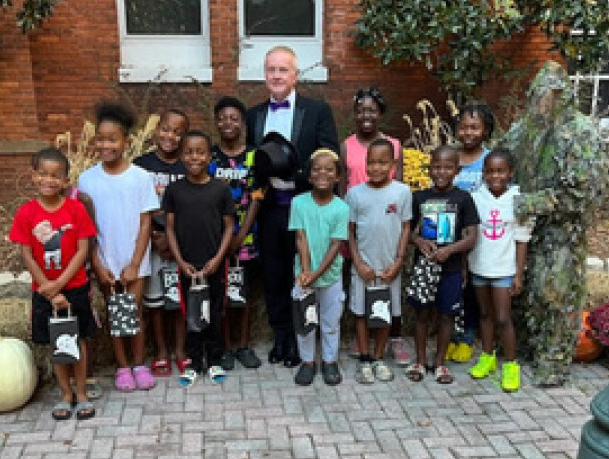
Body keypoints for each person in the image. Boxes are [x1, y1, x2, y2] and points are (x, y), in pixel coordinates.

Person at [501, 61, 609, 386]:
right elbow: (498, 164)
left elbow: (587, 192)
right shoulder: (523, 131)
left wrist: (534, 202)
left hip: (560, 232)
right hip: (521, 230)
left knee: (555, 293)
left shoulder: (581, 131)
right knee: (521, 290)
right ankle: (523, 348)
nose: (547, 100)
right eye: (542, 93)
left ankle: (554, 360)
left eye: (555, 94)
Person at [245, 45, 339, 367]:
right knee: (274, 276)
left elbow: (329, 154)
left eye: (283, 69)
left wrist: (297, 174)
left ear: (295, 75)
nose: (276, 75)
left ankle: (306, 341)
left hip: (305, 209)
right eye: (271, 69)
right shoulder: (253, 115)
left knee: (302, 272)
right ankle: (282, 338)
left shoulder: (317, 111)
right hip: (270, 209)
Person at [10, 148, 97, 420]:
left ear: (66, 180)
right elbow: (26, 253)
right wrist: (48, 287)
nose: (49, 180)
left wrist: (60, 283)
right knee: (57, 342)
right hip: (44, 291)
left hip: (75, 287)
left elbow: (83, 250)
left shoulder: (76, 209)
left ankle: (81, 392)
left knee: (79, 341)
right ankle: (65, 394)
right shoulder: (26, 213)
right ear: (34, 176)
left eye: (56, 176)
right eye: (43, 174)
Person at [78, 102, 159, 392]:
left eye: (112, 139)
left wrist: (135, 262)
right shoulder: (87, 180)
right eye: (100, 138)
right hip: (105, 258)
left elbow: (146, 223)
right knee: (116, 313)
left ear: (126, 141)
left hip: (135, 258)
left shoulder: (140, 178)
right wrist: (97, 264)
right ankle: (122, 367)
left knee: (134, 311)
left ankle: (139, 363)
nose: (105, 144)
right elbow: (86, 229)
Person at [339, 87, 407, 365]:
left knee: (389, 289)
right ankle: (363, 343)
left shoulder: (394, 145)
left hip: (388, 229)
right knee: (360, 287)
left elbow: (400, 192)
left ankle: (392, 339)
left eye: (372, 109)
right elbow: (343, 185)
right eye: (361, 109)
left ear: (380, 113)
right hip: (358, 223)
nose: (366, 115)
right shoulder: (346, 145)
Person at [163, 130, 235, 385]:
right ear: (182, 156)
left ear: (209, 156)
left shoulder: (220, 189)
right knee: (190, 313)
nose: (195, 157)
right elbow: (169, 228)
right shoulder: (174, 190)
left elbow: (229, 227)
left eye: (200, 152)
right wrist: (180, 261)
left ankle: (214, 360)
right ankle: (194, 362)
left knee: (214, 312)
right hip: (187, 266)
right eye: (189, 152)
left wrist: (218, 258)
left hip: (214, 265)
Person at [406, 145, 479, 384]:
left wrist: (450, 250)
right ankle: (419, 360)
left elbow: (471, 237)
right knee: (422, 315)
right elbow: (406, 232)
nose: (441, 172)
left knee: (447, 315)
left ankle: (439, 363)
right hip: (424, 268)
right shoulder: (419, 198)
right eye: (436, 166)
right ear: (429, 169)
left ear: (457, 170)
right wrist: (418, 241)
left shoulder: (463, 199)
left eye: (448, 167)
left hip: (451, 269)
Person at [346, 139, 411, 384]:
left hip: (389, 269)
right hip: (363, 268)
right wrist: (359, 263)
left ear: (393, 164)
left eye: (382, 163)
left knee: (384, 313)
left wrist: (398, 262)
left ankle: (378, 357)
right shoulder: (355, 194)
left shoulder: (402, 193)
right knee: (361, 313)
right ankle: (364, 359)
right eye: (371, 162)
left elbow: (405, 228)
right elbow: (349, 232)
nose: (376, 168)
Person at [467, 149, 531, 392]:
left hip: (504, 268)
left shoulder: (518, 200)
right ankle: (487, 356)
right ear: (483, 174)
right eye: (490, 171)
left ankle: (511, 365)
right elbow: (469, 232)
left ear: (510, 172)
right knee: (485, 315)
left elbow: (522, 238)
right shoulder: (476, 198)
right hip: (480, 266)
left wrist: (518, 273)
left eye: (501, 171)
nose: (495, 176)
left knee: (503, 318)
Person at [132, 108, 190, 377]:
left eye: (178, 132)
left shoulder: (187, 165)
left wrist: (172, 239)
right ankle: (162, 352)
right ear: (156, 130)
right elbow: (137, 207)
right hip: (152, 244)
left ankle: (180, 350)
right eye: (166, 129)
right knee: (154, 303)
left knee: (177, 300)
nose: (171, 136)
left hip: (180, 245)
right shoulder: (141, 165)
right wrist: (156, 238)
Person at [209, 96, 262, 370]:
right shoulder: (209, 155)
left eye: (234, 118)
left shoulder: (254, 155)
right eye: (222, 118)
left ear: (242, 123)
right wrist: (222, 239)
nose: (227, 123)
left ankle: (243, 345)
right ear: (216, 122)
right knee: (221, 295)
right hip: (214, 239)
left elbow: (257, 196)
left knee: (243, 294)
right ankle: (225, 346)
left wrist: (239, 238)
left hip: (245, 238)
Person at [288, 149, 349, 386]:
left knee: (330, 321)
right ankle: (307, 362)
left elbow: (336, 245)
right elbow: (300, 237)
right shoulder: (299, 203)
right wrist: (305, 273)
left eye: (329, 169)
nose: (322, 173)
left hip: (330, 276)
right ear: (309, 176)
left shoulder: (341, 208)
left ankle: (329, 361)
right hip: (303, 276)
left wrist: (317, 273)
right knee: (305, 322)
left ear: (337, 177)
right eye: (316, 169)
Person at [447, 103, 495, 364]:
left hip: (479, 236)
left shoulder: (490, 161)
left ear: (485, 130)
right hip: (452, 236)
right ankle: (452, 335)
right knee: (454, 287)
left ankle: (468, 336)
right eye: (464, 127)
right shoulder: (451, 159)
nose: (468, 132)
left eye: (474, 127)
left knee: (473, 290)